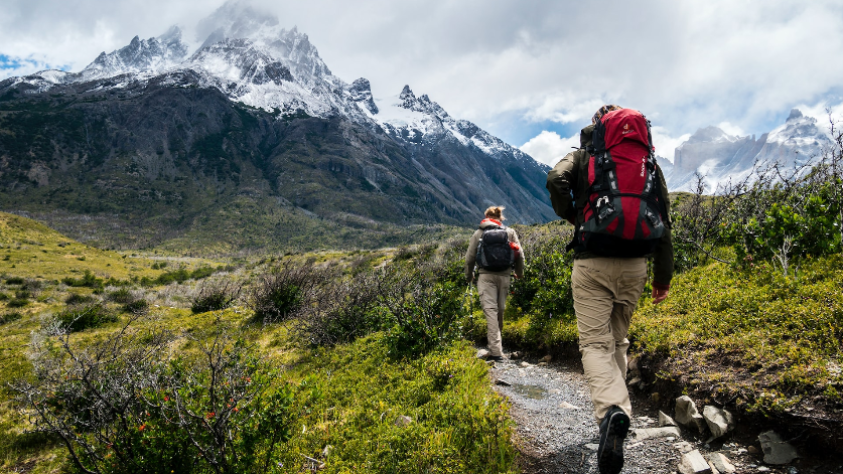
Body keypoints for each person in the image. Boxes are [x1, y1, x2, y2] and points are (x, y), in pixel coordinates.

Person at [546, 105, 674, 474]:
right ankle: (620, 413)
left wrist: (572, 214)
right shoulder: (647, 162)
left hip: (593, 261)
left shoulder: (585, 155)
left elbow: (556, 179)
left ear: (598, 126)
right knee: (618, 341)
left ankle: (612, 412)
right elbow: (663, 216)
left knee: (594, 344)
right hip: (636, 265)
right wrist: (662, 278)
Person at [464, 206, 525, 362]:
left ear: (486, 217)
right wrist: (519, 273)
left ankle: (496, 351)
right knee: (500, 310)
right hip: (505, 276)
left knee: (490, 310)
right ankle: (496, 348)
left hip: (486, 277)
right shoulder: (509, 232)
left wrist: (469, 275)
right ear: (500, 218)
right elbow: (520, 255)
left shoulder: (479, 233)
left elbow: (469, 258)